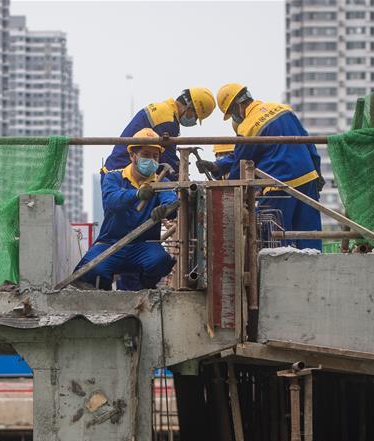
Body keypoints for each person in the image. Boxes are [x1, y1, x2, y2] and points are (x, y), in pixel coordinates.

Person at [198, 83, 325, 250]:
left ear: (236, 106)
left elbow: (241, 163)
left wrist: (228, 190)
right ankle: (313, 274)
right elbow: (308, 143)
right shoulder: (282, 109)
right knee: (309, 234)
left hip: (278, 185)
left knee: (276, 240)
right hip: (307, 178)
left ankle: (281, 275)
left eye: (232, 114)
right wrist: (217, 166)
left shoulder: (248, 126)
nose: (235, 118)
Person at [73, 128, 179, 290]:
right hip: (110, 243)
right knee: (92, 269)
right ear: (132, 156)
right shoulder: (114, 177)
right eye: (146, 155)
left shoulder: (161, 182)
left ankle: (146, 289)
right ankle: (104, 293)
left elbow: (171, 200)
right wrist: (137, 194)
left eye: (155, 156)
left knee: (160, 260)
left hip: (143, 245)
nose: (151, 160)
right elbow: (111, 201)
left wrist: (166, 208)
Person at [102, 87, 216, 174]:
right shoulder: (168, 121)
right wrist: (181, 176)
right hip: (121, 173)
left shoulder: (165, 109)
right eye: (195, 117)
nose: (194, 121)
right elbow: (167, 159)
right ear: (190, 107)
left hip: (115, 169)